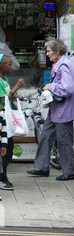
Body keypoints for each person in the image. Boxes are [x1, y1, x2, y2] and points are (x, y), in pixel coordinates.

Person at [27, 39, 74, 180]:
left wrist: (50, 86)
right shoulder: (57, 64)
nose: (47, 54)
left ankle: (69, 171)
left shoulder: (64, 65)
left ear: (57, 51)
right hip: (55, 110)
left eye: (48, 51)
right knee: (45, 136)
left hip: (63, 111)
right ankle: (41, 167)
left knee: (63, 140)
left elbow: (68, 88)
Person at [0, 54, 25, 190]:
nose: (12, 67)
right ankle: (1, 179)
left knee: (3, 147)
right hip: (1, 118)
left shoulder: (4, 79)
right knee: (6, 150)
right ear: (2, 66)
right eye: (9, 65)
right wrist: (17, 87)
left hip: (6, 117)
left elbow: (7, 97)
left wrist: (14, 95)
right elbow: (3, 100)